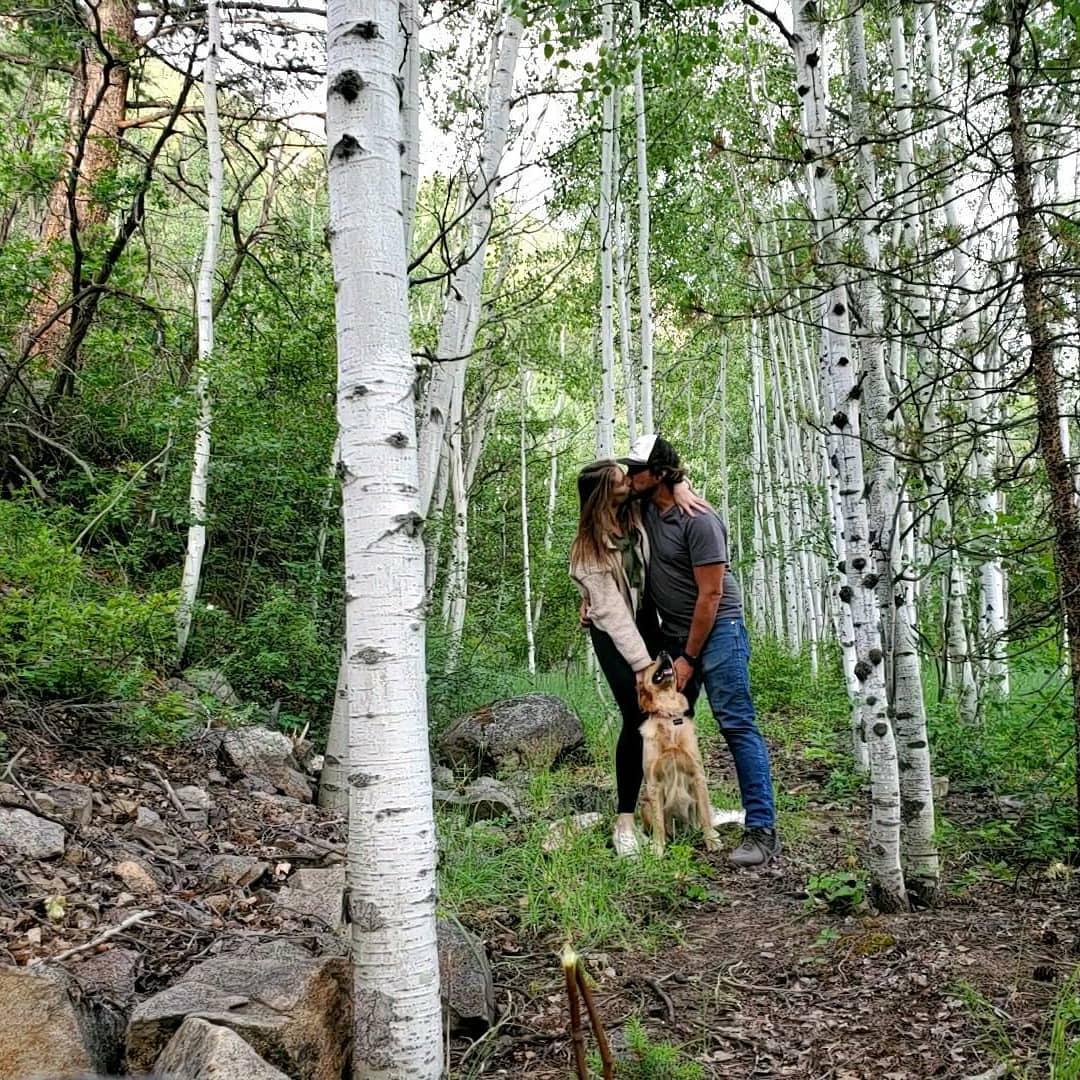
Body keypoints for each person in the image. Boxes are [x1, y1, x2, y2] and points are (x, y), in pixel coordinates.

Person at [619, 434, 780, 868]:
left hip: (719, 630)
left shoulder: (701, 520)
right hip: (675, 635)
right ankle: (671, 817)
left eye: (637, 469)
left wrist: (688, 658)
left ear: (659, 473)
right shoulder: (644, 508)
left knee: (736, 723)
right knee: (662, 723)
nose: (630, 476)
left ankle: (762, 831)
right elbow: (597, 494)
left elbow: (711, 595)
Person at [570, 459, 708, 857]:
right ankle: (626, 819)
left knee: (677, 707)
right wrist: (641, 665)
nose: (630, 482)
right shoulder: (588, 549)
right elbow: (613, 612)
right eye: (621, 480)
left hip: (647, 622)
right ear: (603, 493)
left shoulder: (637, 512)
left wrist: (681, 485)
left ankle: (678, 806)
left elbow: (665, 472)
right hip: (614, 634)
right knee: (636, 716)